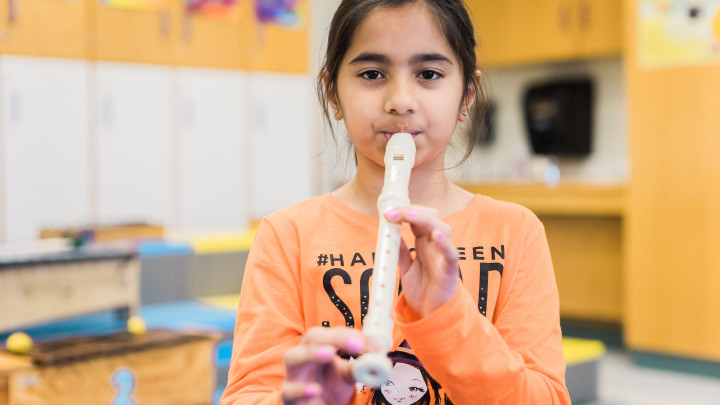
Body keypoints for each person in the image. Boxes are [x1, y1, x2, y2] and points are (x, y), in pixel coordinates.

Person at [220, 0, 570, 404]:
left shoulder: (515, 232)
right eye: (372, 74)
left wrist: (446, 316)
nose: (400, 100)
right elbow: (248, 394)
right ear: (333, 91)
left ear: (468, 94)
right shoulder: (288, 236)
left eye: (429, 74)